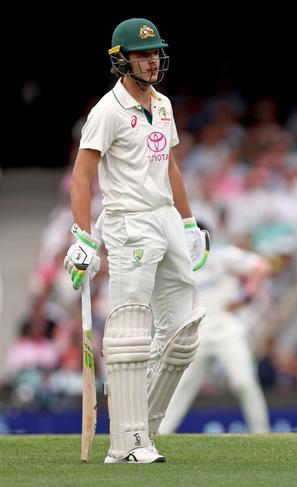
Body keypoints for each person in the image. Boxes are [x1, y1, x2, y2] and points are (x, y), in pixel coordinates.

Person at [64, 18, 209, 464]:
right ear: (121, 60)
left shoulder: (163, 104)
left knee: (182, 334)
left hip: (165, 217)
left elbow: (171, 168)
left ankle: (140, 429)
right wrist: (84, 237)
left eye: (154, 53)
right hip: (129, 223)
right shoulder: (107, 111)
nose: (151, 60)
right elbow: (82, 176)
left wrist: (188, 223)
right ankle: (126, 444)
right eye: (142, 54)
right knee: (129, 332)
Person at [159, 239, 271, 434]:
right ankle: (160, 436)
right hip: (197, 332)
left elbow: (262, 266)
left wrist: (246, 295)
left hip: (227, 327)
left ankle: (262, 434)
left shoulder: (221, 254)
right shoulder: (180, 264)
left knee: (243, 382)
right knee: (181, 388)